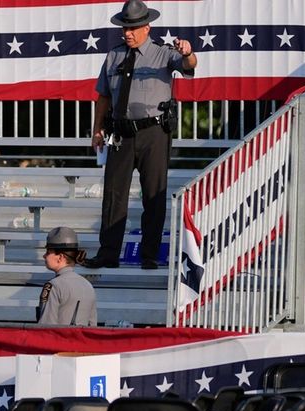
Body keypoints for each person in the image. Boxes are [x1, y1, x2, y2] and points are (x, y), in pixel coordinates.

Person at [84, 0, 197, 270]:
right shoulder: (113, 55)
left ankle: (149, 255)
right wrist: (98, 128)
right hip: (120, 133)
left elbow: (189, 65)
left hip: (153, 133)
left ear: (147, 28)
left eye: (133, 28)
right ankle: (108, 253)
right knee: (113, 196)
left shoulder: (163, 53)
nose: (128, 33)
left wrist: (189, 53)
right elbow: (103, 96)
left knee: (153, 196)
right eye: (125, 28)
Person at [38, 227, 97, 326]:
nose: (44, 256)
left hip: (59, 341)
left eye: (48, 252)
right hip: (82, 341)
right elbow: (92, 325)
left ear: (60, 257)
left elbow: (46, 327)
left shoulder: (53, 286)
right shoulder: (88, 285)